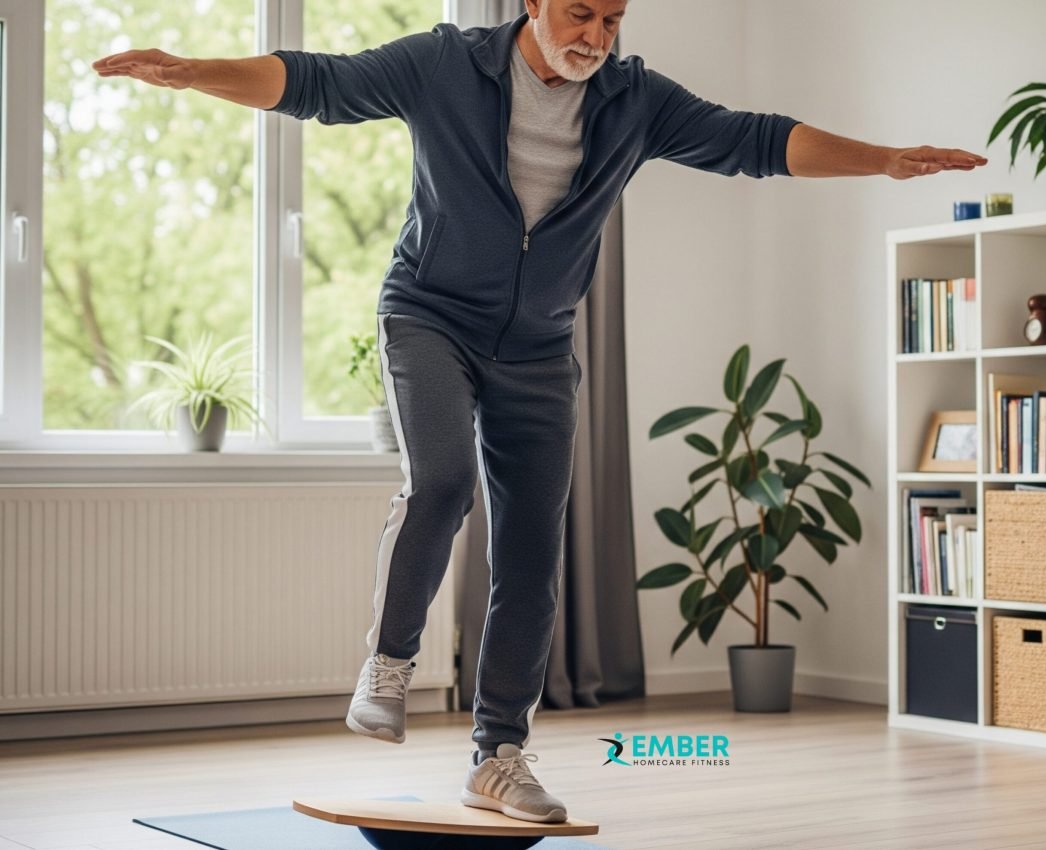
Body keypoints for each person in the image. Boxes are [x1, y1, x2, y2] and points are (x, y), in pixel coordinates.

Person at [92, 0, 987, 824]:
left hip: (539, 346)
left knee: (530, 549)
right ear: (533, 1)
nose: (596, 36)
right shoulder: (445, 65)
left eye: (613, 19)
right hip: (429, 316)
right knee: (442, 481)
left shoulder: (634, 101)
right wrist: (196, 72)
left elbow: (753, 140)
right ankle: (390, 661)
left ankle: (499, 757)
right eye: (579, 12)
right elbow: (318, 83)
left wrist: (882, 158)